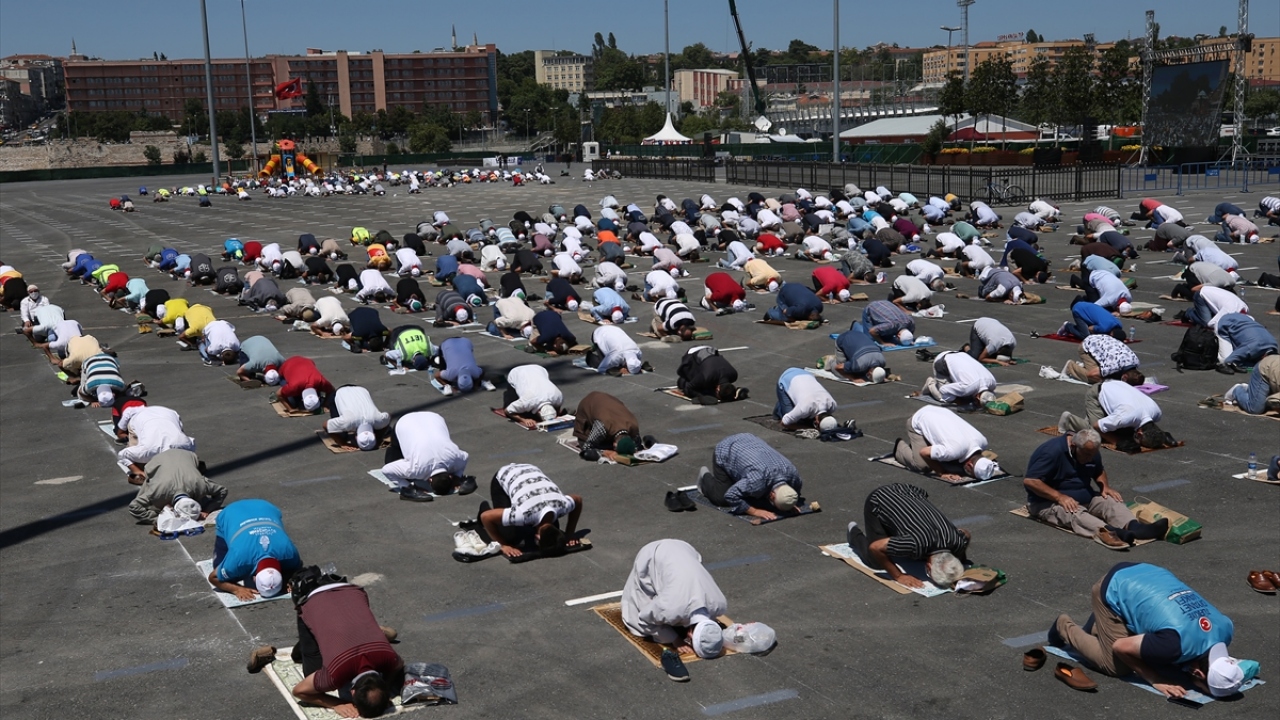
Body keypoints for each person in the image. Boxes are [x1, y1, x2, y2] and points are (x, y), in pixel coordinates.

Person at [1050, 562, 1243, 700]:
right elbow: (1120, 647)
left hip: (1150, 573)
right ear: (1199, 674)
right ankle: (1063, 626)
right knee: (1117, 666)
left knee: (1155, 652)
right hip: (1114, 586)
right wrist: (1155, 679)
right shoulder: (1173, 646)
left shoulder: (1226, 630)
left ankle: (1102, 624)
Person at [1023, 430, 1170, 549]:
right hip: (1047, 502)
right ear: (1074, 446)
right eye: (1087, 455)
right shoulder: (1051, 452)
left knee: (1110, 501)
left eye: (1092, 455)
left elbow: (1099, 470)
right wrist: (1059, 497)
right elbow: (1031, 481)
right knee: (1073, 513)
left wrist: (1104, 486)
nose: (1090, 458)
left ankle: (1136, 528)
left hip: (1084, 496)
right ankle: (1110, 532)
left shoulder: (1090, 449)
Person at [621, 539, 728, 673]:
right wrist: (675, 639)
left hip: (685, 548)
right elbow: (644, 619)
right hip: (653, 553)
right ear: (689, 634)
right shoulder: (670, 608)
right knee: (636, 617)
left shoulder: (719, 604)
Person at [845, 483, 969, 590]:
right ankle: (854, 533)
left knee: (906, 538)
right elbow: (875, 547)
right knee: (876, 561)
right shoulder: (915, 544)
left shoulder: (957, 541)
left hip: (910, 490)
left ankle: (891, 527)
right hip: (880, 499)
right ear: (929, 567)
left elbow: (966, 534)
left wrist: (961, 559)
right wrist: (898, 576)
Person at [480, 463, 583, 559]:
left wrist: (570, 534)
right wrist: (504, 545)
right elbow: (486, 517)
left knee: (525, 527)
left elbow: (578, 500)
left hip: (530, 470)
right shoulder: (523, 514)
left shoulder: (563, 506)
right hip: (505, 475)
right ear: (537, 537)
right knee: (509, 536)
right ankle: (484, 506)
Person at [208, 499, 302, 601]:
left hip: (266, 507)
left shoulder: (290, 554)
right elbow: (213, 578)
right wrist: (237, 589)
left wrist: (289, 579)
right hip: (230, 512)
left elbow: (297, 567)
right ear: (254, 578)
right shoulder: (238, 561)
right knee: (223, 571)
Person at [698, 434, 803, 521]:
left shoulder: (794, 476)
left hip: (749, 440)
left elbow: (793, 492)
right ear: (772, 495)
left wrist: (789, 503)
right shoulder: (757, 481)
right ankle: (704, 478)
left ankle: (740, 482)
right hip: (726, 449)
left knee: (755, 497)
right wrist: (755, 511)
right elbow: (731, 495)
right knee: (721, 498)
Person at [381, 411, 475, 500]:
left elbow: (465, 456)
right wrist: (407, 486)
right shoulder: (415, 470)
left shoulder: (454, 460)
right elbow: (386, 470)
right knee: (394, 465)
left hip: (434, 418)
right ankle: (395, 446)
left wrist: (457, 476)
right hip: (404, 423)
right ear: (429, 480)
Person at [894, 406, 1000, 483]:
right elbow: (924, 452)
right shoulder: (952, 451)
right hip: (919, 420)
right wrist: (942, 473)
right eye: (970, 472)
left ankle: (930, 443)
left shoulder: (983, 442)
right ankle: (899, 448)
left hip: (940, 411)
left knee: (951, 463)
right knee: (922, 465)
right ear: (970, 465)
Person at [1058, 379, 1174, 449]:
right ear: (1139, 433)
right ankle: (1069, 420)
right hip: (1097, 393)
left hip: (1117, 385)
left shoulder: (1157, 413)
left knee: (1120, 430)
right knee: (1095, 435)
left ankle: (1094, 416)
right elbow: (1097, 426)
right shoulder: (1125, 417)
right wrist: (1117, 442)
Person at [126, 448, 226, 523]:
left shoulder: (200, 484)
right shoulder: (157, 491)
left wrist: (207, 509)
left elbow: (222, 490)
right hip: (156, 461)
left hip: (187, 455)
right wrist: (157, 519)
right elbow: (134, 506)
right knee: (153, 504)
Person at [117, 405, 198, 482]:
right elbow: (123, 455)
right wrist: (138, 471)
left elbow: (190, 441)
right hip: (140, 418)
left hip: (169, 414)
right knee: (140, 465)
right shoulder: (146, 452)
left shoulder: (186, 446)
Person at [573, 390, 646, 460]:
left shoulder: (634, 427)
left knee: (637, 447)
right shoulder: (602, 427)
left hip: (607, 403)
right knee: (594, 448)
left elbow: (637, 445)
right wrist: (605, 452)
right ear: (614, 444)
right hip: (588, 405)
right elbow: (587, 447)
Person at [774, 367, 841, 431]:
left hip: (805, 374)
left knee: (802, 416)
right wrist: (807, 428)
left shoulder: (832, 404)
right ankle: (780, 407)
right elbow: (784, 423)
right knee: (791, 419)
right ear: (817, 422)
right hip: (786, 378)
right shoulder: (804, 408)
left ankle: (787, 402)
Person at [920, 350, 996, 406]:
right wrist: (957, 401)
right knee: (944, 398)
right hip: (942, 361)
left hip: (958, 354)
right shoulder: (967, 388)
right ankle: (931, 383)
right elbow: (944, 390)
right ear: (978, 397)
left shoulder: (992, 382)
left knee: (960, 391)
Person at [1063, 333, 1142, 384]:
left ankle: (1084, 366)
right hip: (1086, 346)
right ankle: (1071, 366)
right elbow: (1091, 374)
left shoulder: (1136, 361)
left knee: (1110, 376)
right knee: (1095, 379)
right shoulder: (1113, 366)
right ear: (1125, 377)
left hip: (1100, 340)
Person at [676, 346, 741, 404]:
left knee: (708, 386)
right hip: (692, 354)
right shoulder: (706, 377)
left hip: (709, 349)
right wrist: (700, 396)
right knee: (683, 384)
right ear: (718, 389)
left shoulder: (734, 375)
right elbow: (689, 387)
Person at [1213, 314, 1277, 372]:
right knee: (1225, 360)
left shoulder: (1274, 344)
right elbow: (1230, 361)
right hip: (1224, 323)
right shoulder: (1251, 347)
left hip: (1244, 318)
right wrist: (1253, 367)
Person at [1060, 299, 1127, 342]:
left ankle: (1080, 327)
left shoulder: (1119, 324)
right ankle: (1067, 326)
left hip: (1088, 308)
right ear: (1111, 334)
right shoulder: (1104, 328)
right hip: (1079, 310)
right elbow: (1090, 328)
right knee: (1085, 336)